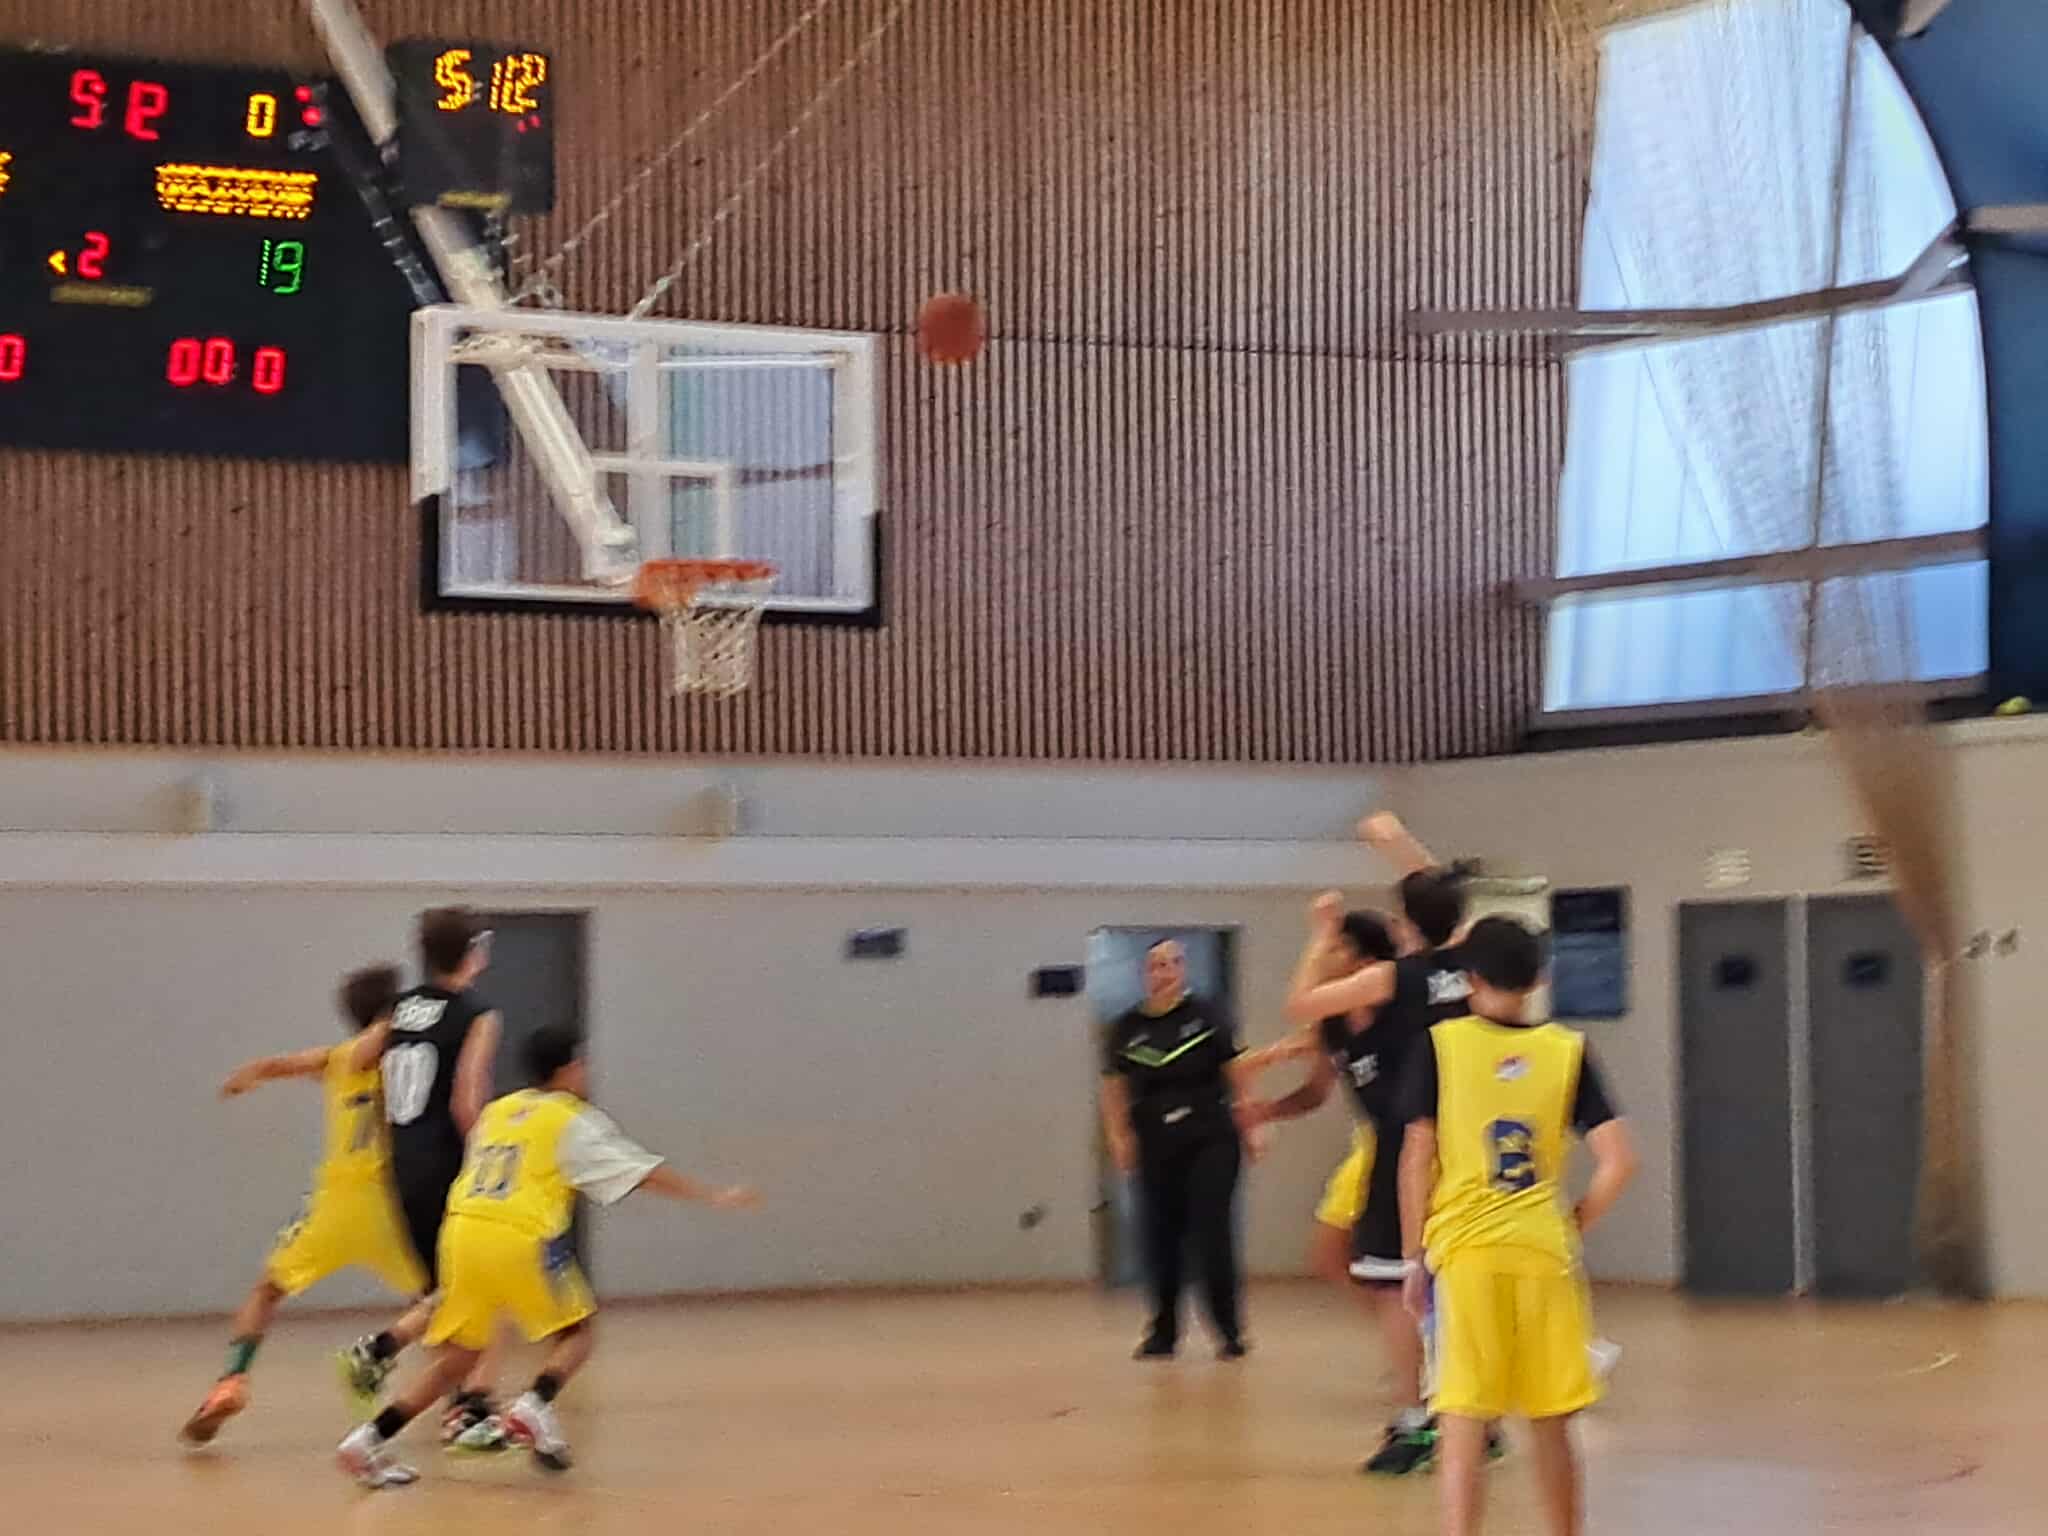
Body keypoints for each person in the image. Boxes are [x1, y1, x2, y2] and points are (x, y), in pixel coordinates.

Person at [335, 1025, 759, 1488]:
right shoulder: (570, 1118)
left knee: (459, 1358)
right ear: (569, 1068)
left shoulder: (499, 1110)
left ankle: (366, 1440)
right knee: (578, 1333)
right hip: (521, 1235)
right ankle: (533, 1404)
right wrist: (710, 1195)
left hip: (461, 1233)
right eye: (582, 1064)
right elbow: (641, 1172)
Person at [1396, 916, 1637, 1536]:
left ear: (1470, 977)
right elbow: (1619, 1161)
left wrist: (1413, 1256)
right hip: (1543, 1250)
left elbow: (1417, 1156)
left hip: (1466, 1254)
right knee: (1552, 1420)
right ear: (1539, 978)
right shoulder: (1568, 1051)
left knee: (1464, 1421)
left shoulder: (1442, 1045)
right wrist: (1572, 1224)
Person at [1282, 812, 1475, 1474]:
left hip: (1407, 1148)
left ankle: (1415, 1420)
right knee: (1453, 1288)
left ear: (1405, 925)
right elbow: (1443, 897)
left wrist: (1319, 935)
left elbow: (1301, 1004)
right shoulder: (1469, 965)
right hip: (1465, 1144)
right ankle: (1474, 1416)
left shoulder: (1395, 979)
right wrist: (1399, 846)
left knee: (1398, 1288)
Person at [180, 965, 431, 1446]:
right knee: (440, 1304)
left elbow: (283, 1064)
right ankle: (446, 1395)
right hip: (387, 1209)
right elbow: (374, 1043)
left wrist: (251, 1074)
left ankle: (231, 1379)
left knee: (267, 1290)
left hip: (332, 1206)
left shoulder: (336, 1060)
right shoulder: (388, 1057)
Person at [339, 907, 506, 1443]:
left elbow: (357, 1058)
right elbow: (466, 1101)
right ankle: (470, 1408)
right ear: (474, 952)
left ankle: (396, 1360)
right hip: (450, 1165)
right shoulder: (478, 1014)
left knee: (447, 1291)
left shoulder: (401, 1008)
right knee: (485, 1285)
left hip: (404, 1165)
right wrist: (492, 1162)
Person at [1099, 939, 1257, 1360]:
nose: (1164, 972)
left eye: (1172, 964)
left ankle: (1229, 1331)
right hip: (1155, 1141)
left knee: (1212, 1231)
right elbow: (1113, 1087)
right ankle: (1163, 1332)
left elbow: (1237, 1070)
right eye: (1156, 965)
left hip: (1210, 1136)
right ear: (1145, 973)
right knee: (1160, 1235)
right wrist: (1119, 1137)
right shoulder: (1127, 1027)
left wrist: (1252, 1122)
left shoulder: (1208, 1015)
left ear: (1183, 970)